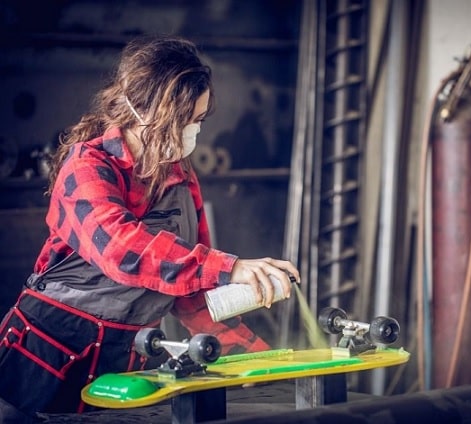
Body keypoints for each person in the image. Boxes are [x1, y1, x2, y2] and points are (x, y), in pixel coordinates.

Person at [0, 34, 300, 421]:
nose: (193, 132)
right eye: (185, 121)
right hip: (43, 360)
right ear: (145, 112)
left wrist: (251, 357)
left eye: (198, 120)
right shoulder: (86, 167)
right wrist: (231, 267)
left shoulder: (180, 176)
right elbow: (121, 250)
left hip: (124, 364)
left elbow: (191, 287)